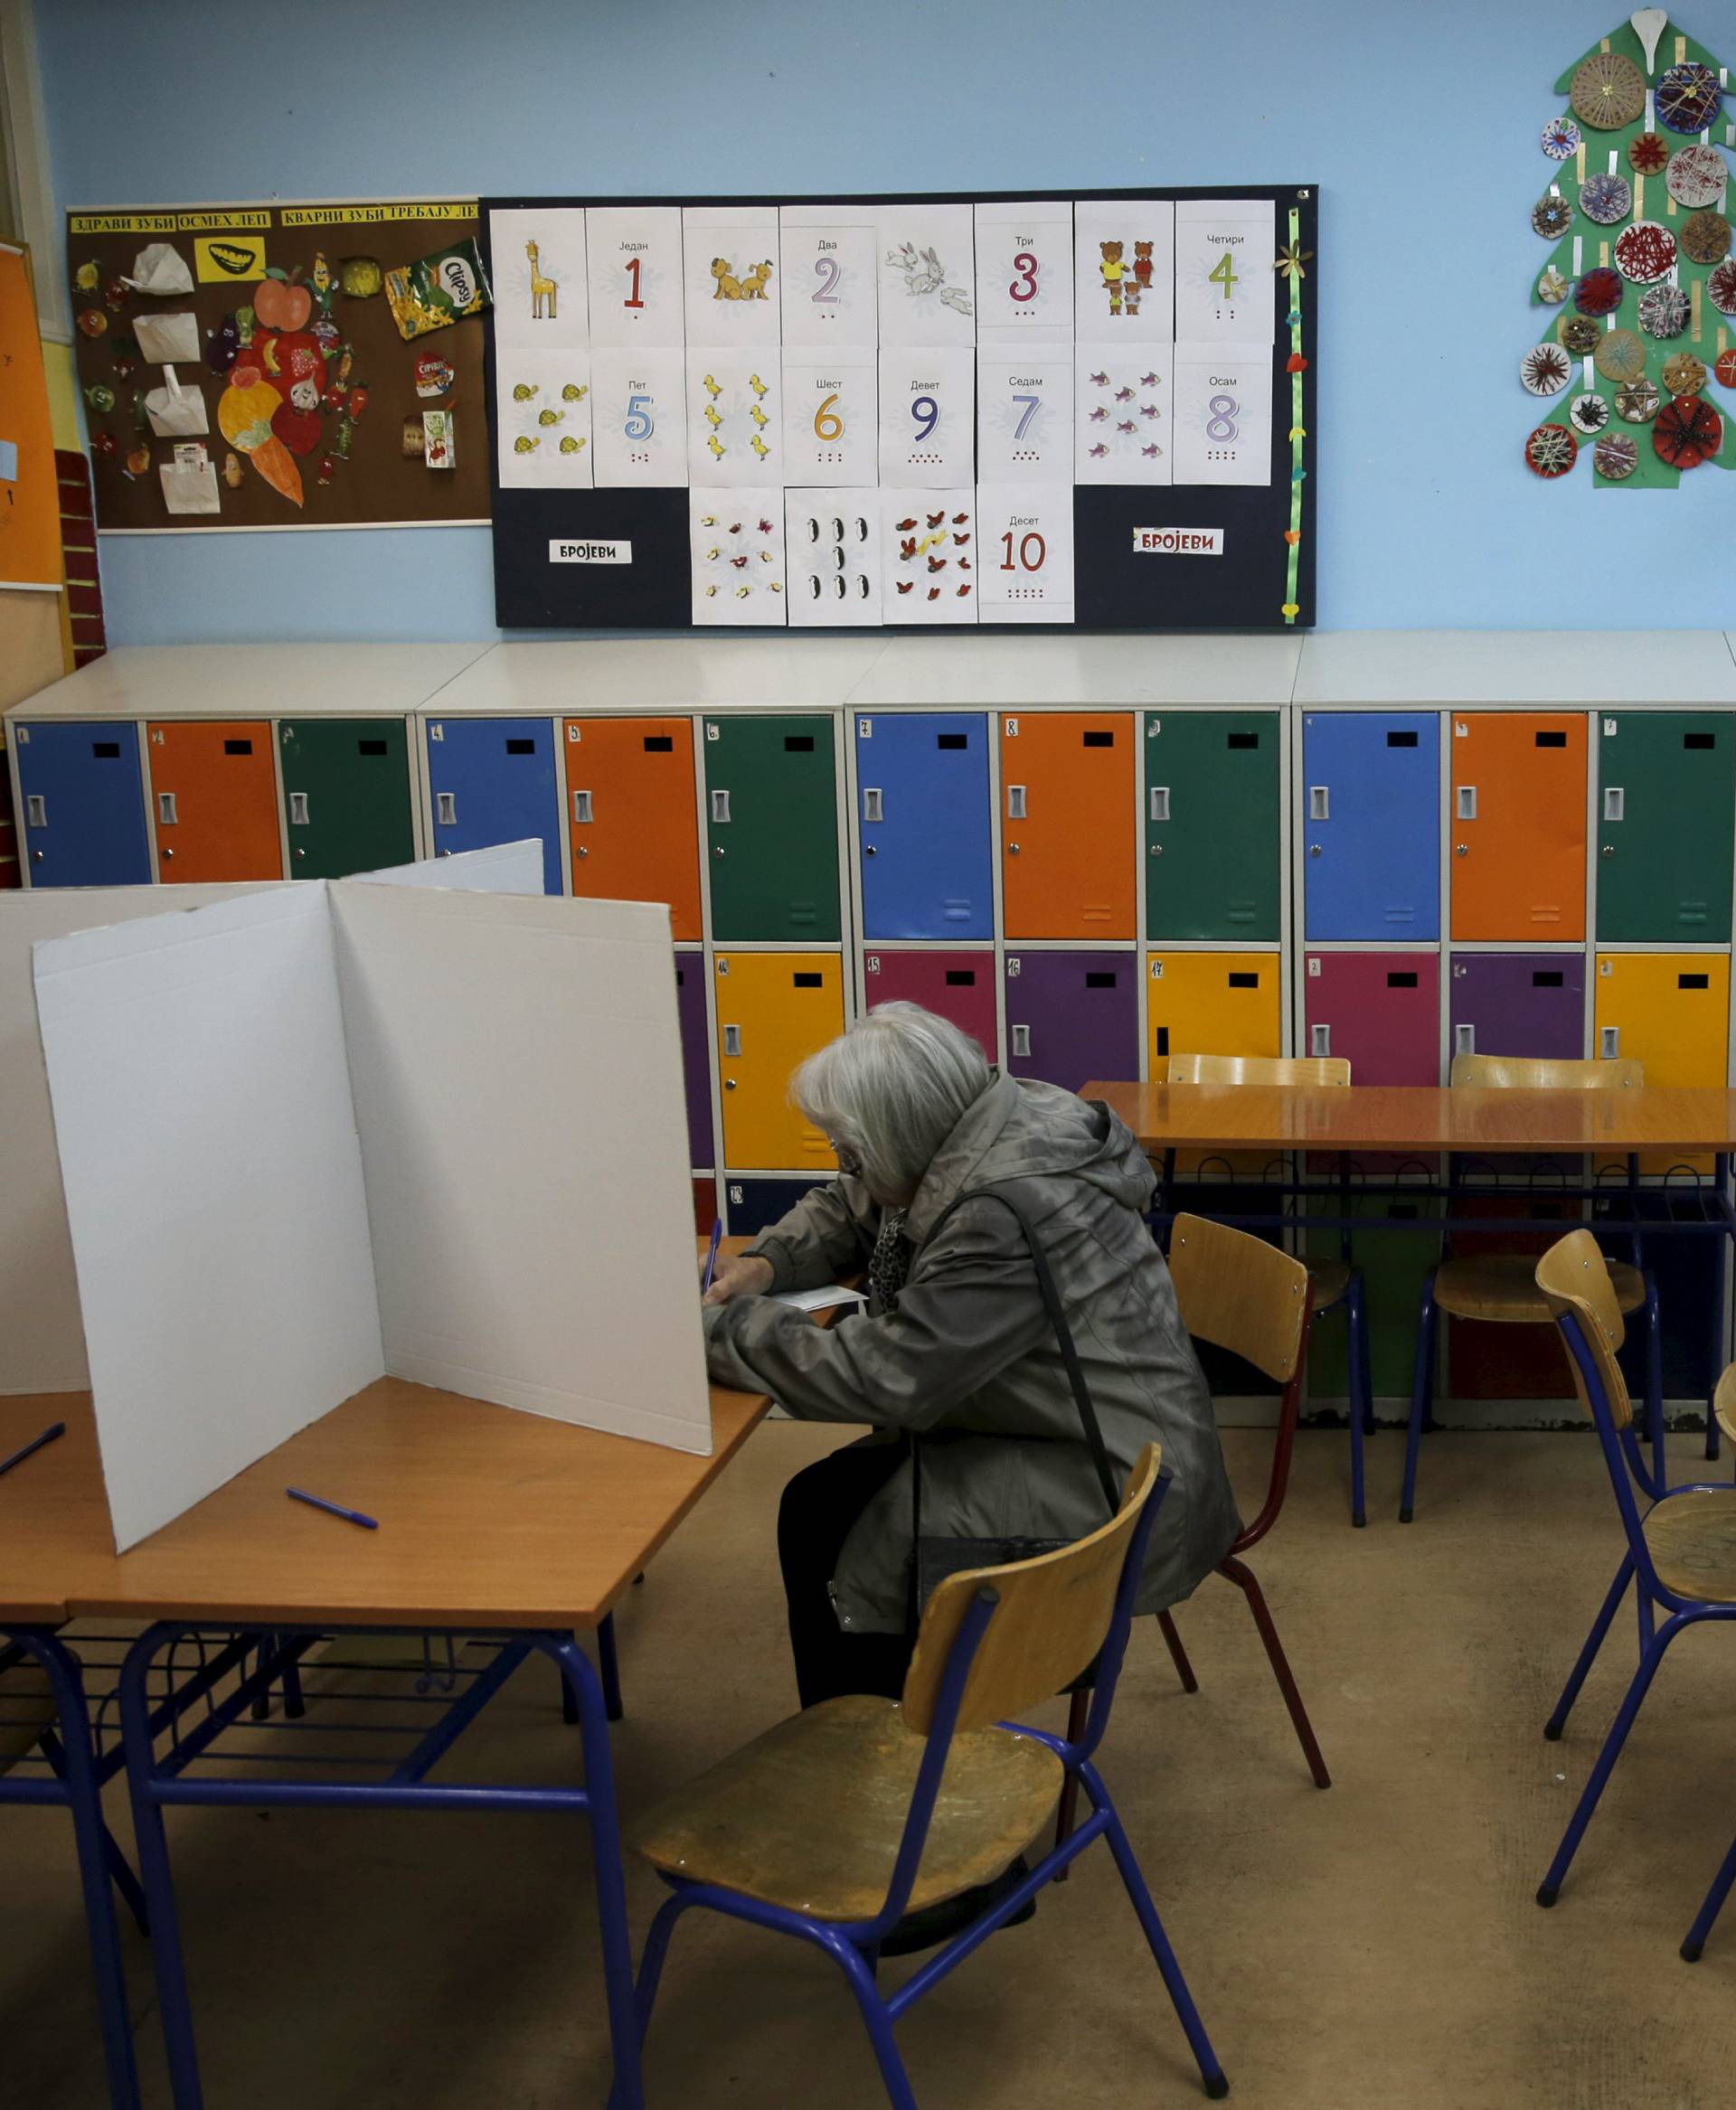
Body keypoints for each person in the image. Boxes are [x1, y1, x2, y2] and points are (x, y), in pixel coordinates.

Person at [703, 1003, 1241, 1716]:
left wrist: (719, 1334)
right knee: (827, 1503)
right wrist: (767, 1264)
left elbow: (887, 1378)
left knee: (837, 1529)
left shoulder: (1002, 1208)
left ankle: (881, 1764)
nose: (845, 1165)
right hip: (1084, 1425)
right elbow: (857, 1201)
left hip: (1113, 1474)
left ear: (900, 1136)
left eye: (851, 1148)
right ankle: (875, 1731)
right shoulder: (999, 1116)